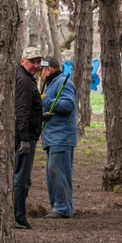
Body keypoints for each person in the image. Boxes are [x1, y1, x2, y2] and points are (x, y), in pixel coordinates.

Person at [40, 58, 77, 218]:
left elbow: (68, 104)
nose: (40, 74)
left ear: (48, 70)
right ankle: (57, 206)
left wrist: (45, 100)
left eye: (41, 70)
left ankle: (63, 208)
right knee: (52, 172)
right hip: (53, 137)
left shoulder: (64, 83)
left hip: (61, 136)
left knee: (58, 171)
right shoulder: (52, 84)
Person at [14, 45, 44, 229]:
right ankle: (17, 216)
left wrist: (41, 116)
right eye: (32, 61)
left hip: (28, 133)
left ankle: (18, 214)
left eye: (38, 62)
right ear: (22, 61)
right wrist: (24, 138)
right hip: (24, 137)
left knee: (23, 178)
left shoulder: (27, 79)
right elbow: (22, 110)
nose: (35, 65)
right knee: (21, 177)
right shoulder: (24, 81)